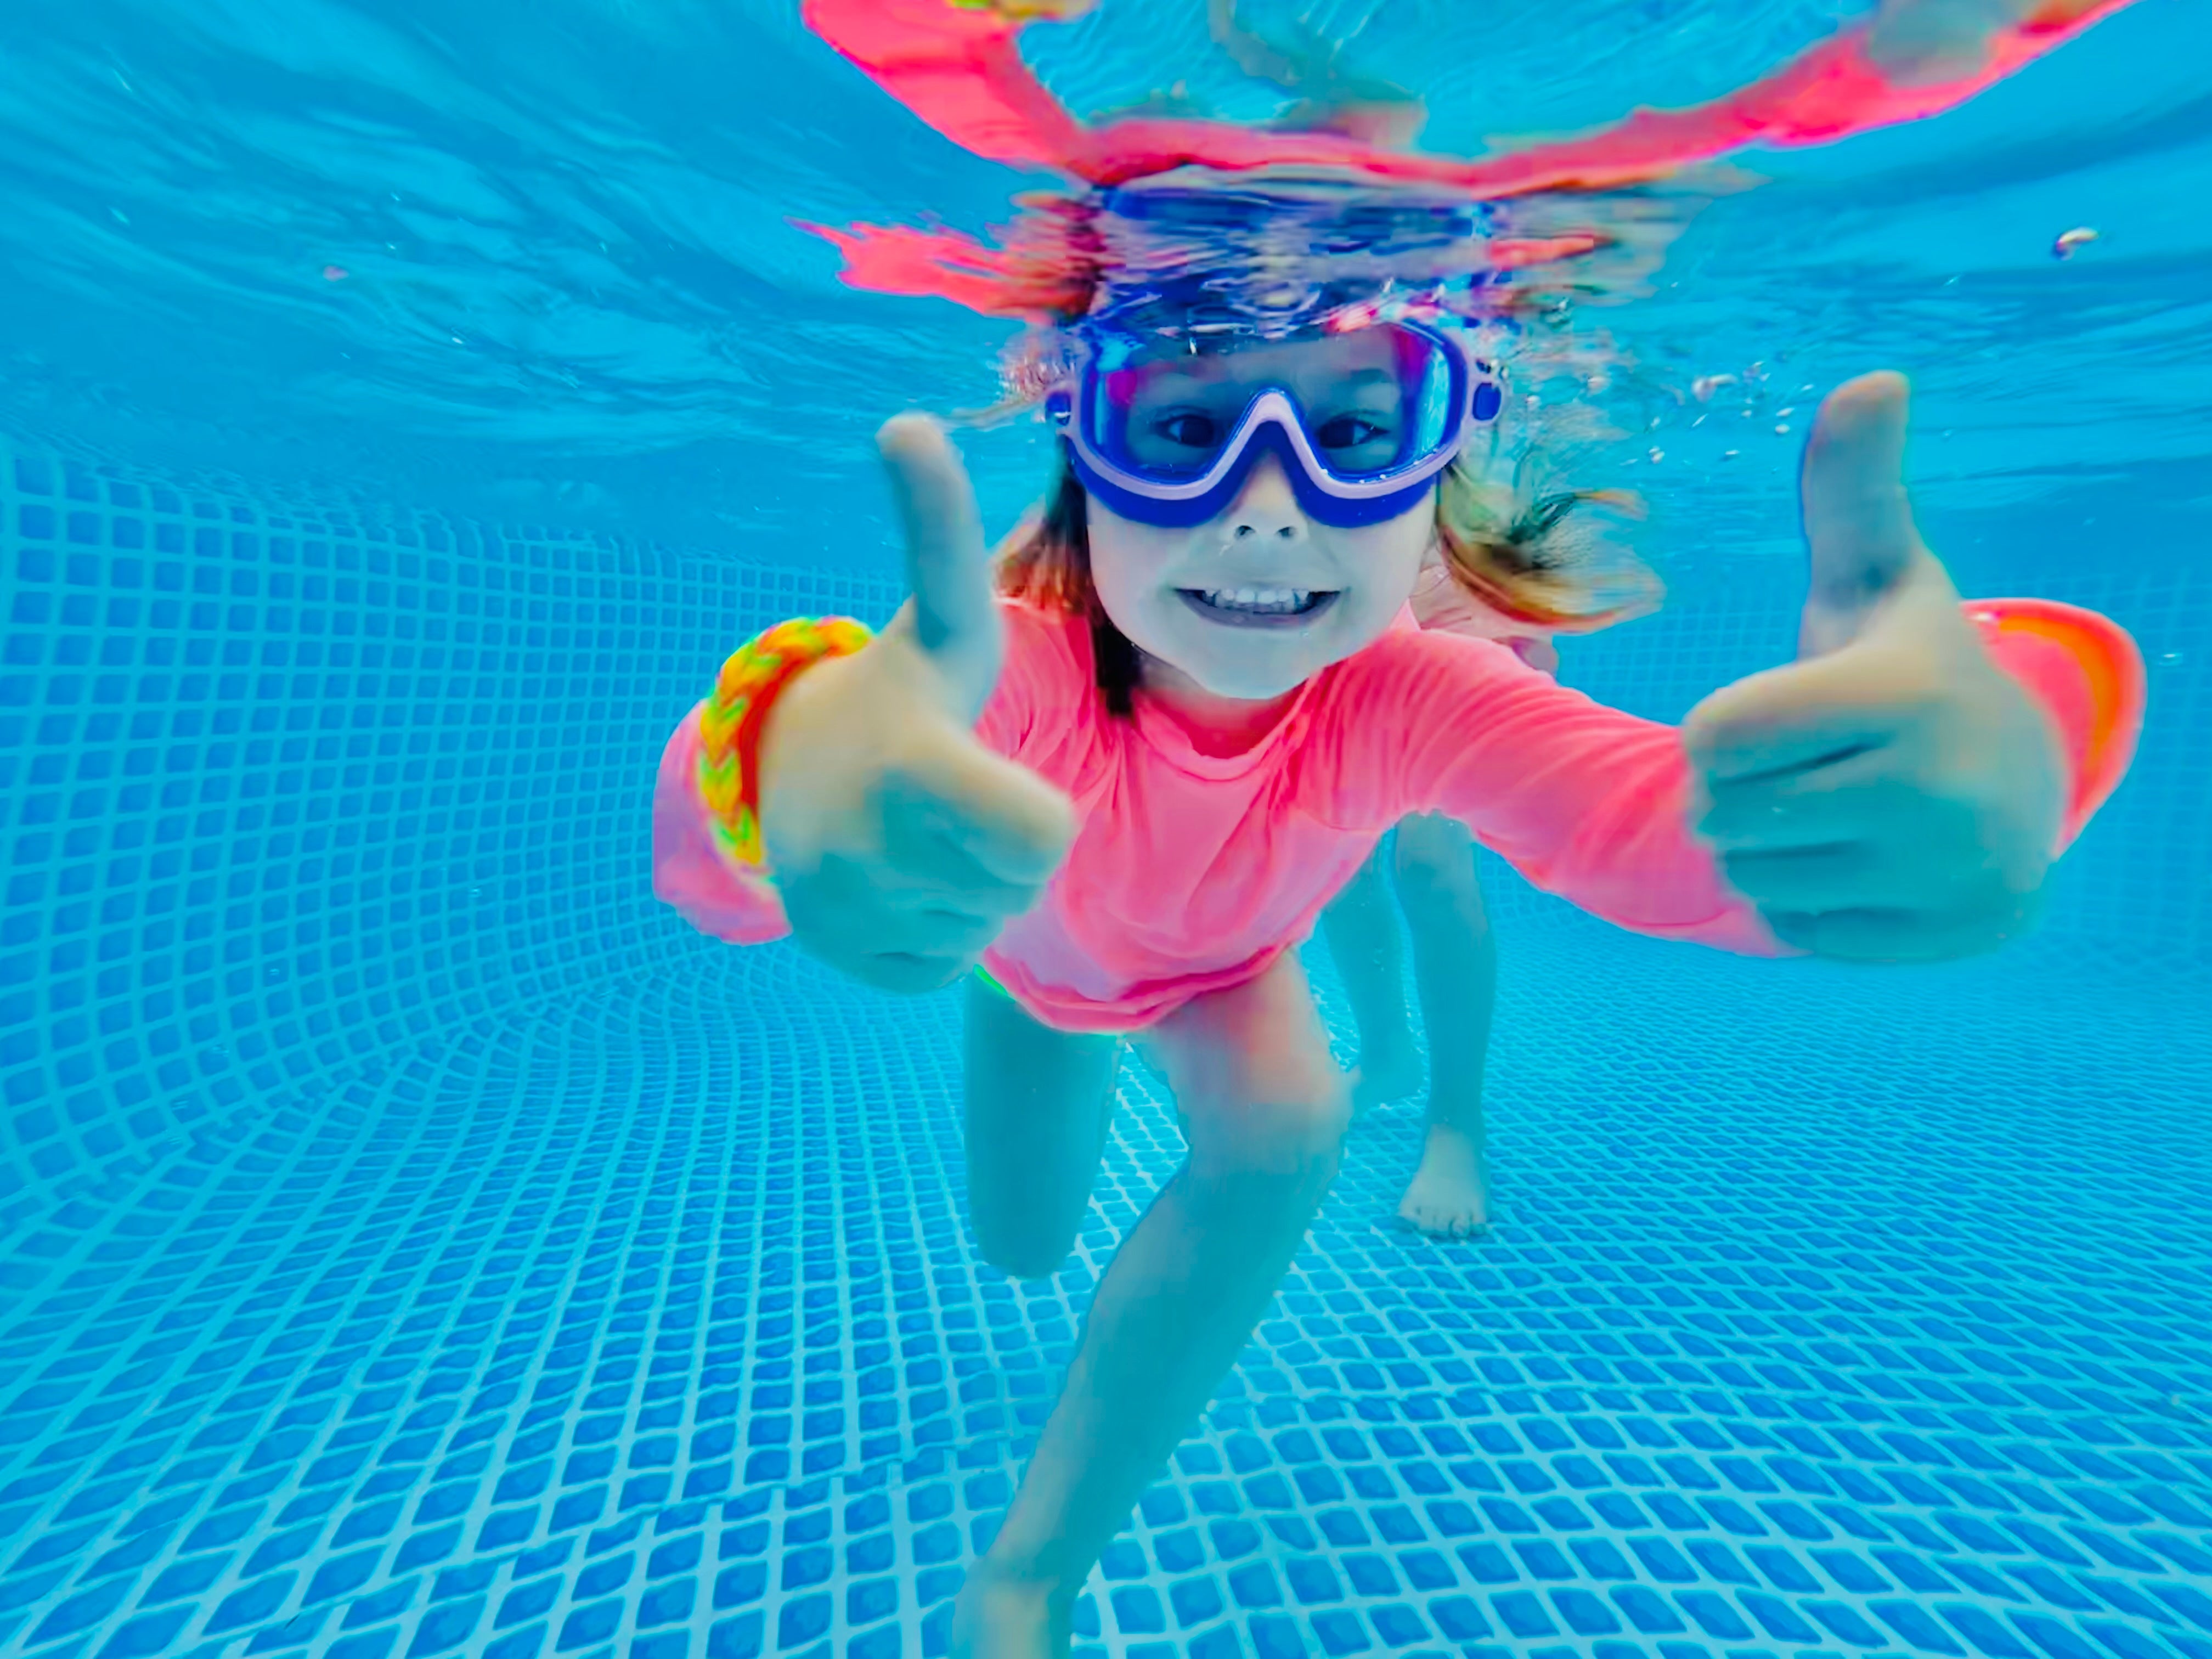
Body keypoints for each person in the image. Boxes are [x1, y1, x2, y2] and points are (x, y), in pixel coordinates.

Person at [652, 167, 2142, 1659]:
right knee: (1024, 1242)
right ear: (1082, 451)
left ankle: (1031, 1574)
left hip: (1222, 976)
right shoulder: (1033, 661)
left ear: (1433, 469)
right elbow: (778, 818)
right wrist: (781, 770)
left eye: (1355, 434)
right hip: (1027, 970)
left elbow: (1673, 841)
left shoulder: (1411, 694)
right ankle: (1034, 1115)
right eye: (1180, 428)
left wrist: (1994, 767)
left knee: (1291, 1127)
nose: (1264, 510)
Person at [1318, 535, 1589, 1238]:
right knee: (1336, 863)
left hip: (1463, 600)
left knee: (1430, 865)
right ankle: (1384, 1057)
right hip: (1354, 601)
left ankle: (1455, 1123)